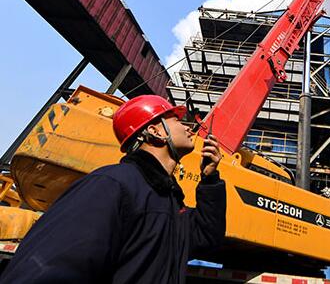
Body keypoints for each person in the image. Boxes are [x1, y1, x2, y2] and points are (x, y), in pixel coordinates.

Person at [1, 95, 226, 283]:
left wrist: (210, 180)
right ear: (156, 131)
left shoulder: (167, 200)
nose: (188, 127)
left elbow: (205, 237)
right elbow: (46, 270)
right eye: (177, 120)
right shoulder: (111, 184)